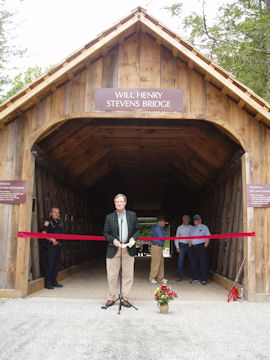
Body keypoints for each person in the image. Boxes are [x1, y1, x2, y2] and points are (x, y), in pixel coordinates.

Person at [103, 194, 140, 308]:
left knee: (128, 275)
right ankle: (111, 298)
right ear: (114, 203)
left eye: (121, 201)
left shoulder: (132, 215)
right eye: (117, 202)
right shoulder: (109, 217)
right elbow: (105, 233)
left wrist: (134, 237)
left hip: (128, 247)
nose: (119, 203)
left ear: (125, 203)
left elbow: (137, 229)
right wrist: (113, 240)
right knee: (112, 275)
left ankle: (124, 298)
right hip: (114, 248)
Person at [42, 207, 63, 289]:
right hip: (50, 247)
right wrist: (51, 239)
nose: (57, 214)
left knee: (56, 264)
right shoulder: (48, 222)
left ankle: (54, 281)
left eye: (58, 213)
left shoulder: (58, 223)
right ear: (51, 213)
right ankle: (48, 283)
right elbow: (43, 233)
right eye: (55, 212)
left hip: (57, 246)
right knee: (50, 264)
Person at [188, 214, 211, 285]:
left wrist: (205, 245)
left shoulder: (204, 227)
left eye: (197, 219)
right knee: (193, 263)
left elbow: (208, 236)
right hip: (192, 247)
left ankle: (204, 279)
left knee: (203, 263)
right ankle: (195, 278)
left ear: (200, 220)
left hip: (201, 247)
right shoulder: (192, 228)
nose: (195, 221)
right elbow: (189, 237)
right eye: (194, 219)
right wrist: (189, 244)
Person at [149, 216, 168, 284]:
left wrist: (165, 235)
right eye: (164, 222)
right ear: (160, 221)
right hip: (156, 247)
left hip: (159, 247)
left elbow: (166, 235)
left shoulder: (160, 228)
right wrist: (164, 235)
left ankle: (160, 278)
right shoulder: (157, 228)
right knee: (155, 262)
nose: (164, 223)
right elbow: (162, 237)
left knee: (160, 262)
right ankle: (152, 278)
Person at [174, 215, 193, 281]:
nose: (186, 221)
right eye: (185, 220)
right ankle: (179, 276)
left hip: (189, 246)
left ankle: (193, 276)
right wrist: (177, 247)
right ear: (183, 220)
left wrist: (191, 242)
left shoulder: (191, 227)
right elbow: (176, 238)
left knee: (192, 261)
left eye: (187, 220)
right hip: (181, 245)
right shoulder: (179, 228)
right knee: (180, 261)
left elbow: (193, 236)